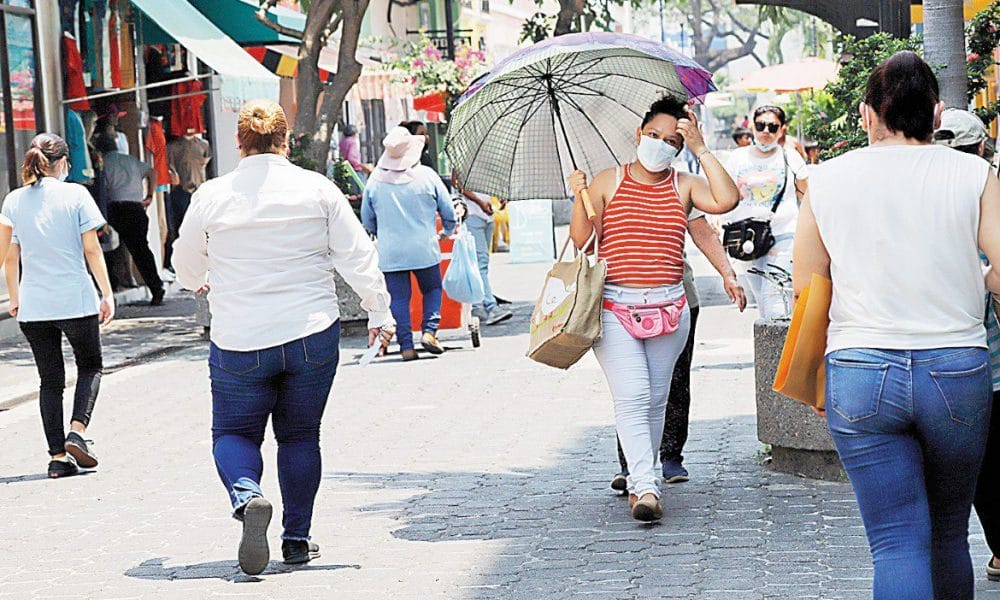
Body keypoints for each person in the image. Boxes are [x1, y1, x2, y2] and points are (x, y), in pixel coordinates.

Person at [795, 52, 1000, 599]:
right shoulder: (974, 173)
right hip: (957, 371)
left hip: (860, 372)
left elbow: (807, 287)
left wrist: (815, 375)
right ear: (936, 115)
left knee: (895, 542)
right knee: (950, 537)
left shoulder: (827, 180)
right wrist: (979, 282)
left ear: (865, 115)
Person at [172, 100, 394, 575]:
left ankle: (247, 494)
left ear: (238, 142)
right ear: (285, 140)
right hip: (310, 333)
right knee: (299, 436)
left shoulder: (212, 194)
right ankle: (296, 538)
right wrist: (379, 310)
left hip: (239, 336)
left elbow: (187, 263)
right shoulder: (317, 189)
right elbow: (357, 255)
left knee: (233, 432)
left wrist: (199, 279)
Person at [567, 95, 739, 521]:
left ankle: (646, 478)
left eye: (670, 140)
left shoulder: (684, 185)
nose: (660, 144)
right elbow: (582, 240)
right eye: (653, 135)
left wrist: (700, 147)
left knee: (657, 399)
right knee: (634, 395)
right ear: (638, 134)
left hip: (669, 308)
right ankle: (645, 486)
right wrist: (578, 194)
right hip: (614, 308)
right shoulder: (608, 181)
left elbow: (727, 200)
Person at [1, 133, 115, 479]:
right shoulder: (76, 194)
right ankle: (77, 431)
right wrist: (106, 293)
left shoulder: (14, 201)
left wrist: (15, 296)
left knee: (49, 380)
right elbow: (92, 249)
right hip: (74, 300)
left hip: (34, 306)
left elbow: (9, 255)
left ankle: (57, 458)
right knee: (91, 365)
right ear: (64, 162)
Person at [610, 209, 747, 491]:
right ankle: (632, 463)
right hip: (622, 300)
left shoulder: (679, 184)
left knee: (674, 381)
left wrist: (727, 273)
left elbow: (701, 230)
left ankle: (670, 454)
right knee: (633, 388)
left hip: (676, 298)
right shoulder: (610, 184)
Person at [932, 107, 1000, 584]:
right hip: (984, 364)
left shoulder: (919, 196)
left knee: (972, 476)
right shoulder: (985, 188)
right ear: (982, 151)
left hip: (934, 367)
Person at [361, 127, 456, 360]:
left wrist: (380, 234)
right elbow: (448, 211)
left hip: (391, 251)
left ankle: (406, 346)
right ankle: (429, 331)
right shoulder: (427, 176)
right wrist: (448, 230)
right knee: (432, 288)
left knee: (399, 298)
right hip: (424, 247)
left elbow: (367, 219)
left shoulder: (375, 180)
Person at [723, 105, 809, 319]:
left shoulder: (791, 158)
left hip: (783, 234)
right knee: (761, 296)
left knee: (775, 294)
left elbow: (807, 198)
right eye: (761, 125)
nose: (766, 132)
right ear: (753, 126)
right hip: (746, 238)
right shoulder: (737, 158)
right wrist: (719, 221)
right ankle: (771, 346)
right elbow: (726, 195)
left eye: (773, 127)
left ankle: (776, 349)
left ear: (782, 129)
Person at [95, 133, 165, 306]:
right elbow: (152, 172)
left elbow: (102, 187)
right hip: (135, 208)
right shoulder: (131, 160)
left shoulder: (104, 163)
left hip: (114, 208)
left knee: (108, 246)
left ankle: (112, 283)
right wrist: (149, 195)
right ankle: (156, 287)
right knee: (141, 250)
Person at [454, 174, 513, 326]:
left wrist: (499, 197)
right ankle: (490, 305)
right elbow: (459, 185)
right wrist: (479, 202)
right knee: (480, 262)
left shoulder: (484, 161)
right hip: (472, 215)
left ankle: (477, 304)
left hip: (488, 216)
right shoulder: (463, 158)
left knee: (482, 263)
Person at [165, 132, 211, 268]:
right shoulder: (173, 147)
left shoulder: (204, 145)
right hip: (182, 191)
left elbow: (206, 162)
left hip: (199, 189)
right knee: (183, 227)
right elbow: (171, 170)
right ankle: (186, 262)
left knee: (202, 226)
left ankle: (201, 260)